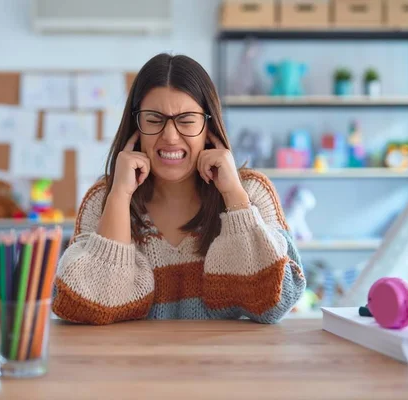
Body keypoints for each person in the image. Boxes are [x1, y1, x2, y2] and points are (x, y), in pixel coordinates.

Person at [51, 53, 306, 325]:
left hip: (224, 366)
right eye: (154, 119)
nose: (170, 136)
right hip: (132, 365)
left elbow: (276, 303)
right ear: (135, 125)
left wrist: (233, 197)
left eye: (186, 120)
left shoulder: (250, 192)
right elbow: (82, 308)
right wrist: (120, 197)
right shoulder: (104, 199)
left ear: (209, 125)